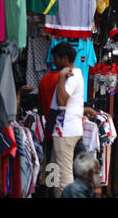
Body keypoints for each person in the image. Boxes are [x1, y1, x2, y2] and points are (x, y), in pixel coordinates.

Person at [49, 41, 85, 198]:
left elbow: (62, 100)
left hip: (66, 132)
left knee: (64, 176)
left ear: (64, 58)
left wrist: (62, 77)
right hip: (62, 131)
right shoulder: (73, 75)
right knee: (53, 172)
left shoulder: (71, 76)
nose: (53, 61)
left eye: (56, 58)